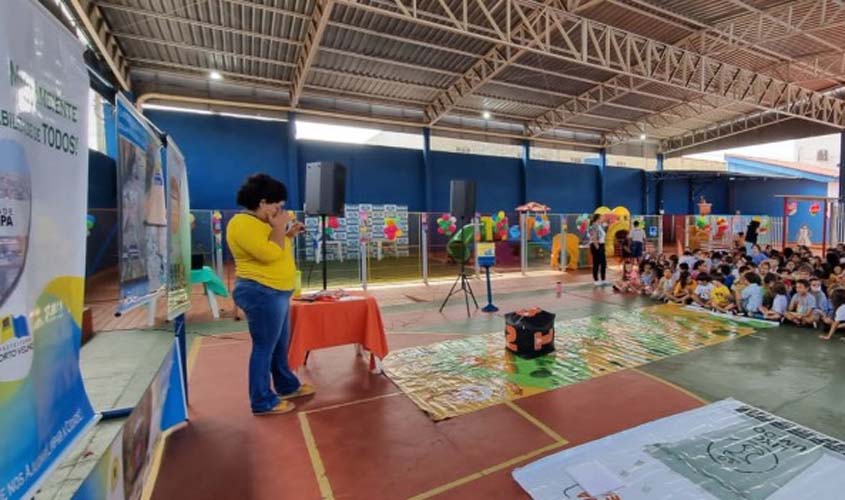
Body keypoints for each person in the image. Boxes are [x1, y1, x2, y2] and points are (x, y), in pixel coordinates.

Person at [227, 173, 313, 416]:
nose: (280, 210)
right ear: (263, 202)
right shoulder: (242, 223)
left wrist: (288, 234)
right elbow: (269, 254)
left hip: (276, 293)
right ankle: (262, 400)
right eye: (278, 205)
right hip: (260, 292)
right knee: (264, 347)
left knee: (279, 345)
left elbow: (277, 249)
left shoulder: (263, 224)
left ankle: (286, 385)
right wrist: (278, 228)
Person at [588, 213, 607, 286]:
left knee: (603, 263)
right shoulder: (593, 226)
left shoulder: (600, 226)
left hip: (602, 245)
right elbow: (593, 237)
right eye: (601, 217)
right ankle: (596, 280)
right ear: (598, 218)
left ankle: (603, 279)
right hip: (596, 245)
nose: (603, 218)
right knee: (596, 263)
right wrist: (597, 246)